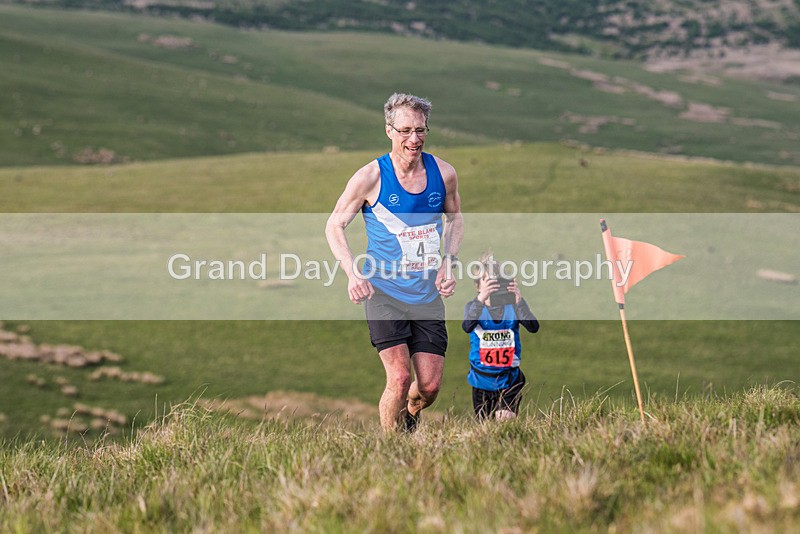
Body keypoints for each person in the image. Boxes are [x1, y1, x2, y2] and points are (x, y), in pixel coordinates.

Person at [325, 93, 463, 432]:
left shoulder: (443, 173)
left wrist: (448, 263)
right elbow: (334, 225)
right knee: (399, 378)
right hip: (383, 292)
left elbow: (455, 220)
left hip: (427, 294)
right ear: (389, 130)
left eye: (420, 130)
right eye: (404, 130)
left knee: (428, 388)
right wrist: (352, 272)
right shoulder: (370, 177)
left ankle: (410, 419)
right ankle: (391, 450)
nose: (413, 139)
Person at [462, 254, 539, 421]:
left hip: (509, 378)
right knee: (485, 428)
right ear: (477, 285)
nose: (491, 286)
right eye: (486, 281)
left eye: (495, 281)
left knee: (504, 419)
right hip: (481, 380)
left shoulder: (513, 306)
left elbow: (533, 327)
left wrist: (520, 302)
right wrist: (480, 300)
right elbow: (467, 326)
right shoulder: (472, 307)